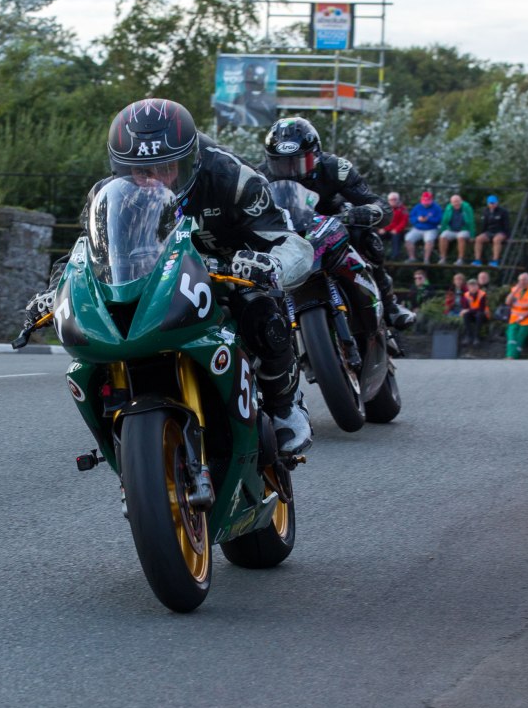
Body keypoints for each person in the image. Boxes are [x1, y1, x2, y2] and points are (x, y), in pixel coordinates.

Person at [24, 99, 315, 455]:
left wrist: (271, 265)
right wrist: (56, 291)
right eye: (140, 171)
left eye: (166, 167)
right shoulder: (107, 195)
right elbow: (82, 252)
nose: (154, 179)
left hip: (228, 273)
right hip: (152, 281)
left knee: (262, 313)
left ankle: (285, 407)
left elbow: (288, 240)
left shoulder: (232, 179)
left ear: (189, 158)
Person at [259, 117, 415, 330]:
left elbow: (378, 203)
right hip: (288, 233)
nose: (291, 171)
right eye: (282, 163)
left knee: (367, 238)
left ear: (316, 155)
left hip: (334, 225)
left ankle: (390, 306)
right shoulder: (259, 177)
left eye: (298, 162)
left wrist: (367, 212)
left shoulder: (336, 168)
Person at [504, 272, 528, 359]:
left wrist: (523, 317)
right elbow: (507, 302)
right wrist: (514, 291)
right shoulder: (515, 290)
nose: (522, 282)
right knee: (511, 337)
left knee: (520, 338)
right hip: (514, 319)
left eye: (525, 280)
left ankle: (512, 356)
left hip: (527, 320)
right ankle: (510, 356)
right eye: (521, 280)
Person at [404, 192, 443, 264]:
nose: (426, 203)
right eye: (424, 201)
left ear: (431, 200)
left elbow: (439, 220)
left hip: (431, 229)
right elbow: (411, 218)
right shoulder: (417, 207)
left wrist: (428, 219)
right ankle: (412, 258)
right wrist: (417, 219)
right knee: (408, 238)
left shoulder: (437, 208)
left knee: (429, 240)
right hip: (417, 229)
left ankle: (426, 259)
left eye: (427, 201)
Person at [472, 196, 510, 268]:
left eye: (493, 203)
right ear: (488, 203)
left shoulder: (503, 212)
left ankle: (495, 260)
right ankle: (477, 260)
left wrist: (506, 235)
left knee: (496, 240)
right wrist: (483, 233)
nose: (492, 205)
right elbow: (484, 224)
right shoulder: (485, 211)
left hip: (500, 232)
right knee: (478, 239)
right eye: (490, 203)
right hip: (489, 232)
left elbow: (506, 225)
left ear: (497, 203)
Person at [438, 193, 476, 265]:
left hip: (464, 229)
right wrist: (443, 231)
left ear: (461, 201)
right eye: (454, 202)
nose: (456, 203)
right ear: (451, 203)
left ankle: (460, 259)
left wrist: (472, 235)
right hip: (451, 229)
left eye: (458, 201)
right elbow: (444, 221)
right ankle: (443, 258)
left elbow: (471, 221)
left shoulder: (467, 208)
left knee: (460, 237)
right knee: (443, 236)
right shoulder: (448, 208)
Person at [459, 277, 490, 347]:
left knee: (479, 315)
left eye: (474, 285)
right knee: (466, 315)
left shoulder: (482, 294)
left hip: (483, 315)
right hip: (472, 314)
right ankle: (468, 336)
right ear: (468, 287)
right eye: (470, 285)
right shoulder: (466, 295)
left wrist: (468, 310)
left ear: (477, 286)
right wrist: (466, 311)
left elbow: (481, 309)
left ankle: (477, 337)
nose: (472, 287)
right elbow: (465, 307)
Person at [379, 191, 409, 260]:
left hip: (397, 231)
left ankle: (395, 256)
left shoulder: (403, 209)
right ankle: (378, 255)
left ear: (398, 200)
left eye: (394, 199)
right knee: (376, 236)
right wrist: (382, 228)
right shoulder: (384, 208)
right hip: (386, 230)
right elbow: (381, 220)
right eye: (391, 200)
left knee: (396, 237)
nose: (393, 201)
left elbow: (404, 222)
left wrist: (396, 229)